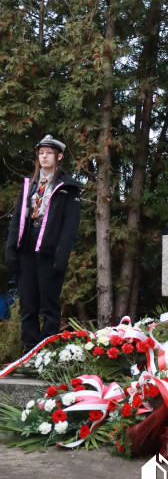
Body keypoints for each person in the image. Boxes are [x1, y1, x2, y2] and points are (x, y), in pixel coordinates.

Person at [5, 135, 81, 353]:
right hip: (26, 248)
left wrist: (61, 257)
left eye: (49, 152)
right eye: (41, 153)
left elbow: (70, 228)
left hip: (49, 251)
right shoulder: (30, 184)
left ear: (59, 156)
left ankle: (47, 354)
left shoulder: (68, 188)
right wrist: (11, 250)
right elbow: (17, 218)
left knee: (49, 305)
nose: (44, 156)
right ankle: (30, 353)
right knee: (28, 305)